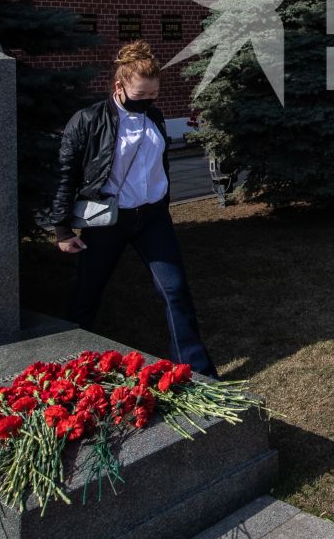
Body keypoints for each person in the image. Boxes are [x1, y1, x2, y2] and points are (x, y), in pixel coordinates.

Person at [50, 41, 216, 376]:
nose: (147, 103)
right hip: (107, 221)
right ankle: (67, 365)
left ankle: (198, 371)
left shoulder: (153, 114)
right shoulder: (88, 120)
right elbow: (65, 174)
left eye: (153, 96)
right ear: (119, 87)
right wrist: (62, 228)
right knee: (88, 290)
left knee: (175, 290)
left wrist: (162, 201)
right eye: (140, 95)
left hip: (152, 218)